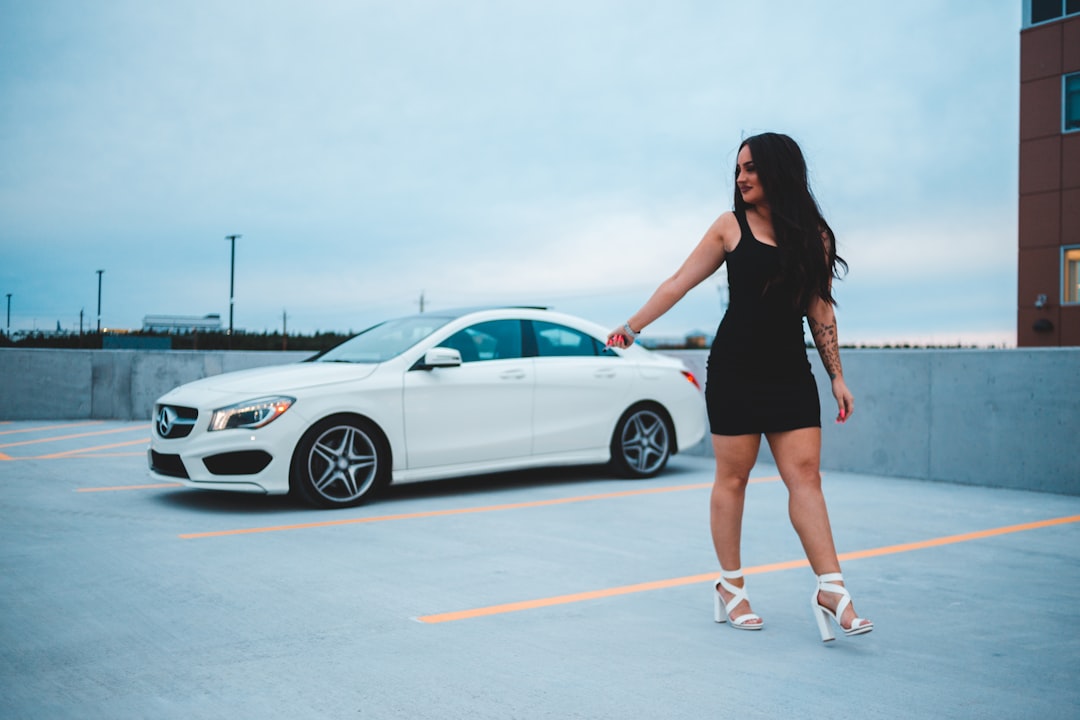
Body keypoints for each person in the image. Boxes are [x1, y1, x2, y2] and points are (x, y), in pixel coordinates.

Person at [606, 132, 872, 642]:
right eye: (738, 169)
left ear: (779, 171)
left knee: (806, 478)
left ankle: (832, 589)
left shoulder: (813, 235)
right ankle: (731, 587)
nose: (741, 177)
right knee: (734, 480)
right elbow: (678, 282)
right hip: (734, 370)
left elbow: (820, 309)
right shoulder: (730, 226)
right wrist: (633, 326)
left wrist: (836, 374)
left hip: (791, 372)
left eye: (751, 168)